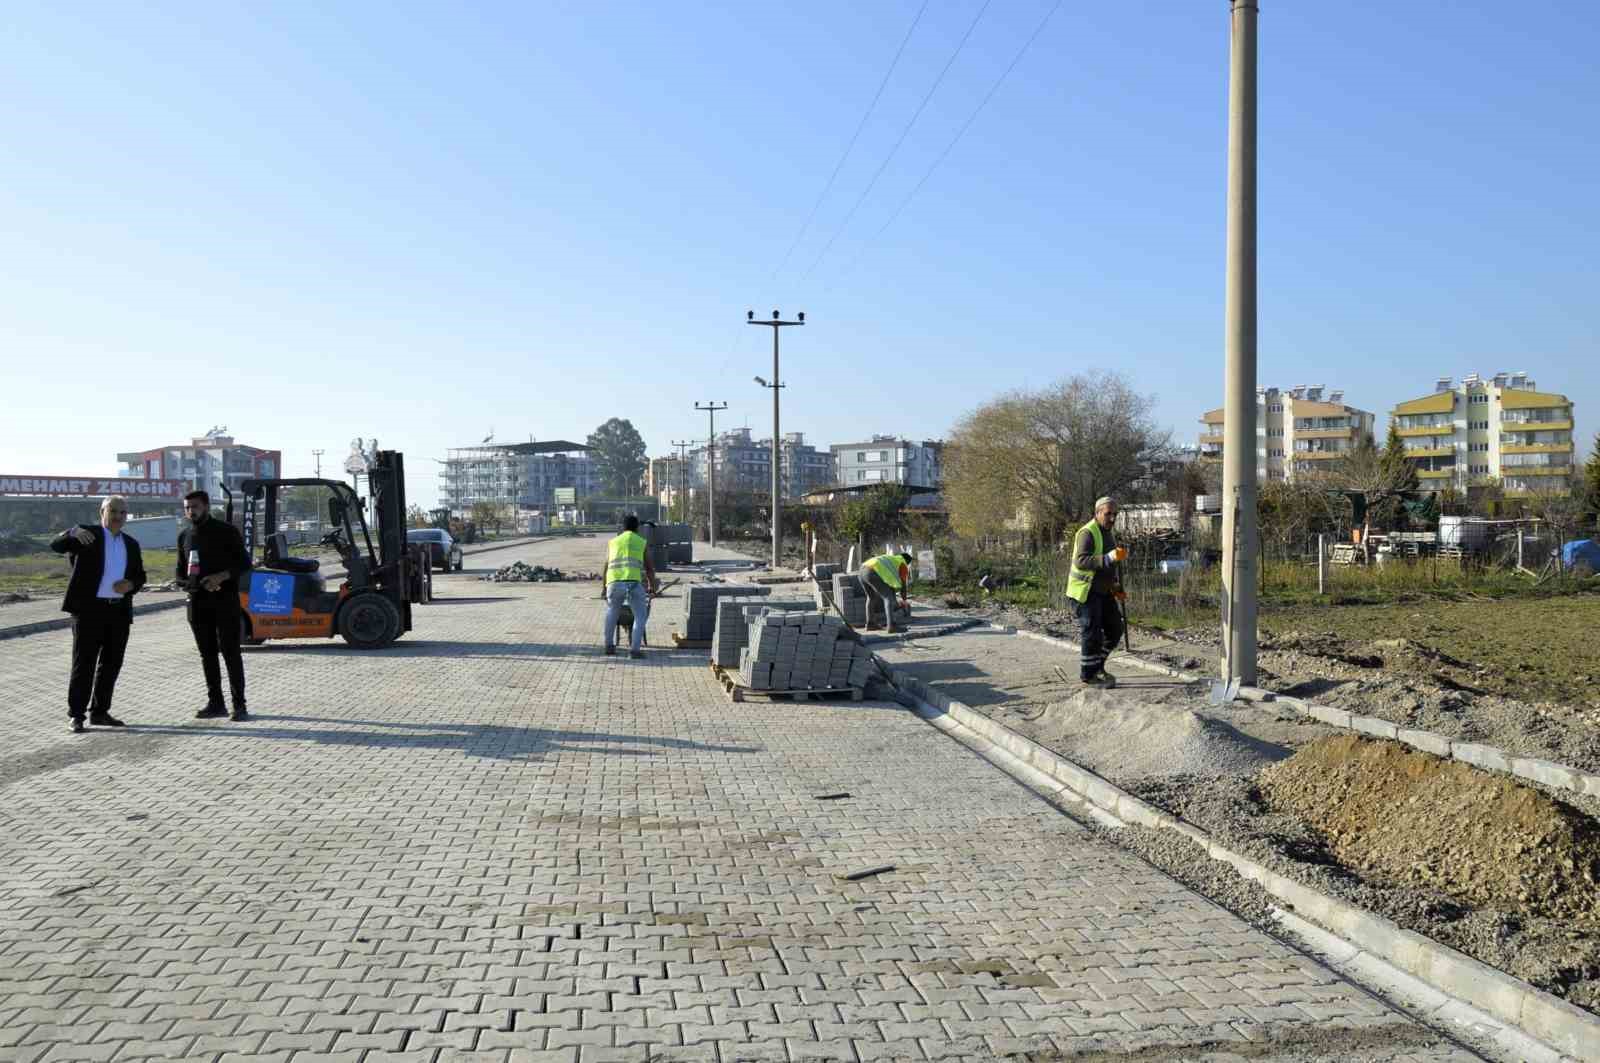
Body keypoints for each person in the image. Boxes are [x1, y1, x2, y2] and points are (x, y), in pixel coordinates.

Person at [51, 496, 147, 733]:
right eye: (113, 511)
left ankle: (100, 712)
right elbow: (56, 545)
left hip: (118, 612)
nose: (117, 516)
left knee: (111, 664)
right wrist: (72, 532)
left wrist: (130, 584)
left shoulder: (131, 544)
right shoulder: (88, 535)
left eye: (122, 513)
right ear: (102, 511)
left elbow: (140, 576)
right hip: (89, 612)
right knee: (84, 664)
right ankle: (76, 715)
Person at [177, 490, 252, 720]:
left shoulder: (226, 531)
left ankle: (239, 705)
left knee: (231, 653)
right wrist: (187, 583)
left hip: (225, 602)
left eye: (195, 506)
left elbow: (244, 563)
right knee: (207, 655)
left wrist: (221, 577)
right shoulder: (184, 536)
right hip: (198, 605)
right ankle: (215, 703)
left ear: (206, 506)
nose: (191, 511)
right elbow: (180, 572)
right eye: (187, 507)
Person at [1066, 496, 1126, 688]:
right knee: (1092, 633)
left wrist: (1115, 586)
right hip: (1085, 592)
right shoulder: (1087, 532)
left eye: (1115, 514)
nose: (1112, 518)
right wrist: (1108, 557)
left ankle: (1098, 666)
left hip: (1103, 591)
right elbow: (1081, 561)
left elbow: (1109, 566)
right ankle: (1088, 676)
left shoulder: (1107, 533)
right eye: (1108, 514)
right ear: (1098, 512)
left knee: (1115, 628)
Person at [602, 514, 658, 658]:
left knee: (612, 613)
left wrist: (603, 588)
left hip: (614, 583)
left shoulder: (612, 542)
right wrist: (652, 588)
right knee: (640, 616)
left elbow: (606, 566)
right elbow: (650, 568)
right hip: (634, 584)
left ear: (623, 527)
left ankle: (609, 646)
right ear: (637, 528)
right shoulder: (641, 542)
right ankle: (634, 650)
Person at [859, 551, 913, 633]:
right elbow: (903, 586)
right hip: (873, 572)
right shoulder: (902, 564)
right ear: (907, 562)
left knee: (871, 597)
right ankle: (892, 626)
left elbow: (888, 580)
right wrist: (904, 600)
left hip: (862, 570)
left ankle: (871, 624)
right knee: (888, 598)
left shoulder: (891, 559)